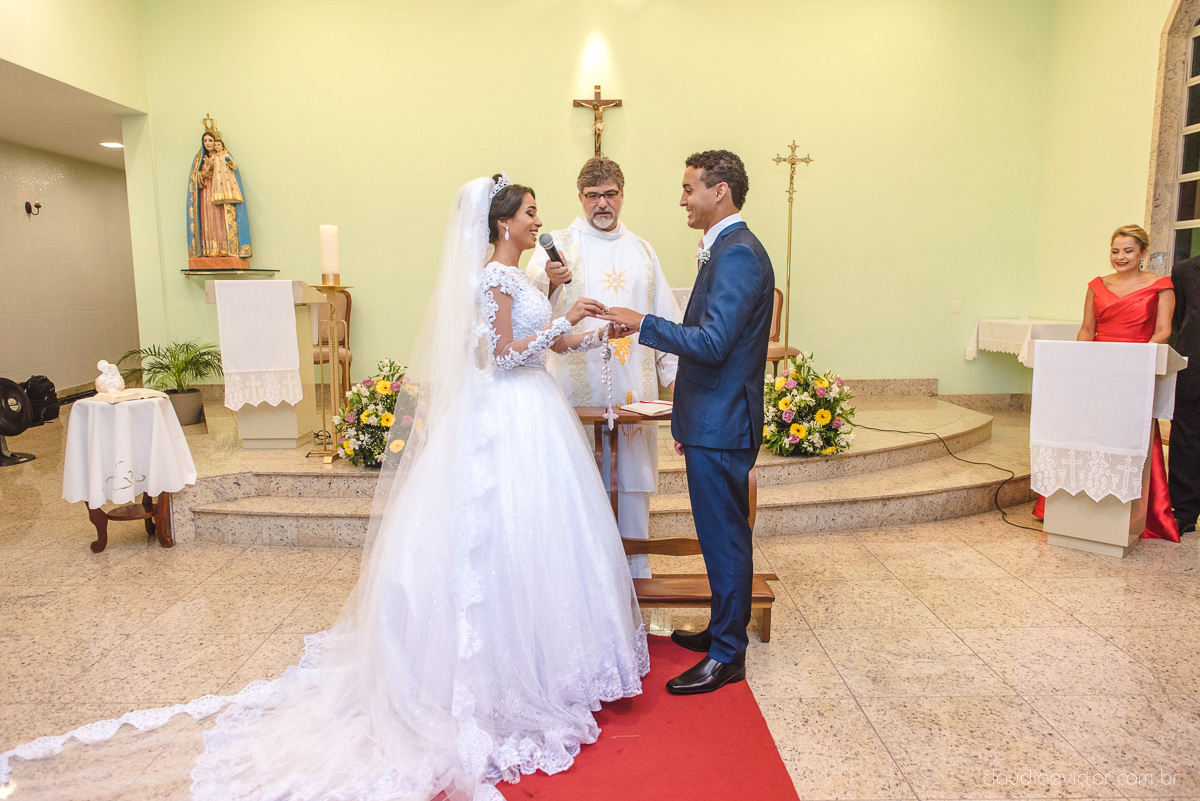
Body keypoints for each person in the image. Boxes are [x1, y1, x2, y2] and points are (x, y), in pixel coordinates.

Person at [0, 175, 649, 801]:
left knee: (538, 541)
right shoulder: (491, 278)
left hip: (535, 415)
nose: (540, 220)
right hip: (507, 419)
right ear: (504, 223)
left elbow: (546, 343)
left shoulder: (524, 276)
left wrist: (588, 323)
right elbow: (505, 354)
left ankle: (551, 662)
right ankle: (499, 675)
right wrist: (556, 328)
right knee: (496, 542)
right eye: (531, 211)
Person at [602, 150, 774, 695]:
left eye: (688, 188)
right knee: (718, 534)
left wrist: (642, 323)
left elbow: (714, 343)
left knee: (725, 538)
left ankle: (729, 655)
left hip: (724, 422)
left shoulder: (739, 254)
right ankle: (722, 629)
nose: (682, 199)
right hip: (710, 417)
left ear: (718, 191)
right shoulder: (723, 249)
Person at [527, 157, 683, 578]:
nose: (602, 203)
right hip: (574, 392)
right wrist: (553, 281)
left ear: (622, 195)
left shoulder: (643, 251)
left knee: (631, 488)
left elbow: (665, 319)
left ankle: (635, 581)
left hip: (635, 391)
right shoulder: (556, 247)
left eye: (610, 194)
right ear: (580, 197)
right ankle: (580, 586)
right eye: (593, 195)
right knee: (574, 492)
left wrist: (680, 389)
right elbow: (524, 314)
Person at [1032, 224, 1179, 541]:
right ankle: (1077, 505)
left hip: (1134, 373)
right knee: (1088, 432)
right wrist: (1083, 364)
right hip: (1097, 373)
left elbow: (1164, 330)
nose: (1120, 257)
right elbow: (1087, 329)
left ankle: (1142, 516)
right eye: (1115, 251)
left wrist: (1140, 366)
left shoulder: (1161, 286)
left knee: (1133, 436)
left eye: (1128, 251)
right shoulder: (1097, 286)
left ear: (1142, 252)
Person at [186, 126, 252, 260]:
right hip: (206, 194)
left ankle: (227, 247)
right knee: (208, 219)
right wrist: (202, 175)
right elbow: (193, 180)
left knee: (222, 218)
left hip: (221, 192)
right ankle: (208, 248)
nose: (208, 143)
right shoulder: (199, 160)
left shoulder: (223, 157)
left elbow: (232, 171)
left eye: (211, 140)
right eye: (205, 141)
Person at [1170, 253, 1200, 534]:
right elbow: (1177, 323)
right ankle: (1184, 511)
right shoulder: (1184, 271)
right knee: (1186, 441)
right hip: (1193, 371)